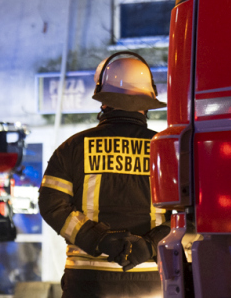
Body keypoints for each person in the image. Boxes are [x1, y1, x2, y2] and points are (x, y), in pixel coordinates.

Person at [38, 52, 170, 298]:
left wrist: (98, 240)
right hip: (155, 279)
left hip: (88, 281)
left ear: (103, 100)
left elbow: (51, 204)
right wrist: (149, 245)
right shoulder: (168, 150)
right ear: (147, 102)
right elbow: (192, 214)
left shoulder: (72, 148)